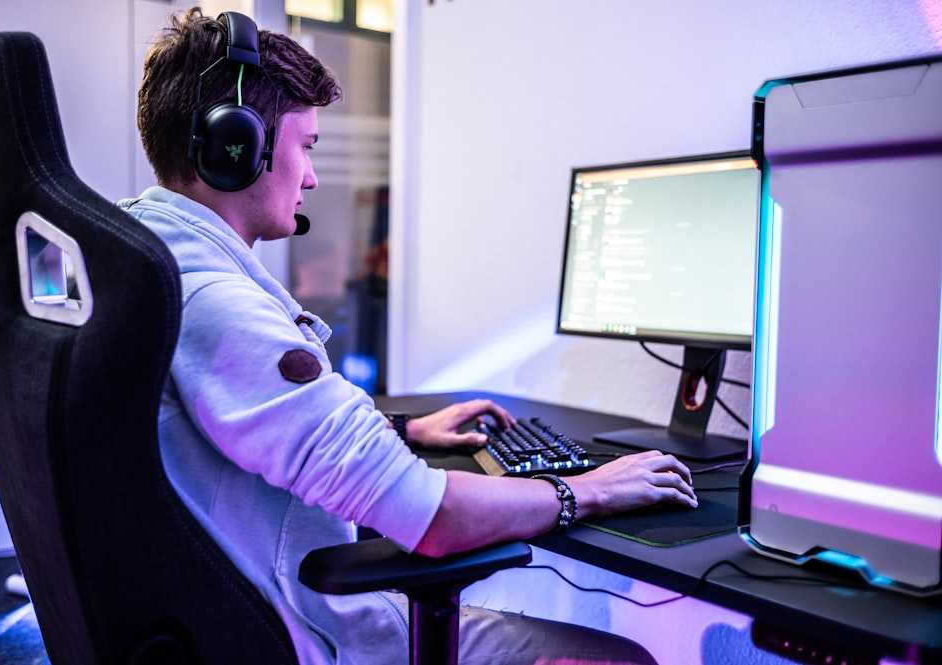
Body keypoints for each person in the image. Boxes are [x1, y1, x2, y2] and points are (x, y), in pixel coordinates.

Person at [124, 8, 698, 664]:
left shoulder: (141, 251)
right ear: (237, 144)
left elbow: (241, 420)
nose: (310, 175)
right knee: (622, 658)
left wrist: (401, 433)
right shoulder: (213, 299)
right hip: (305, 631)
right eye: (305, 144)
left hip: (216, 614)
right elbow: (432, 517)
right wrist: (592, 488)